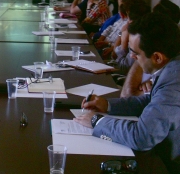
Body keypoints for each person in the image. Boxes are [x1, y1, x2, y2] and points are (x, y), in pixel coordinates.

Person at [74, 12, 180, 173]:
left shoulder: (174, 79)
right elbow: (150, 101)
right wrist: (107, 105)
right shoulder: (170, 68)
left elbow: (143, 137)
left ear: (157, 58)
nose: (131, 56)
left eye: (135, 53)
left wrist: (97, 121)